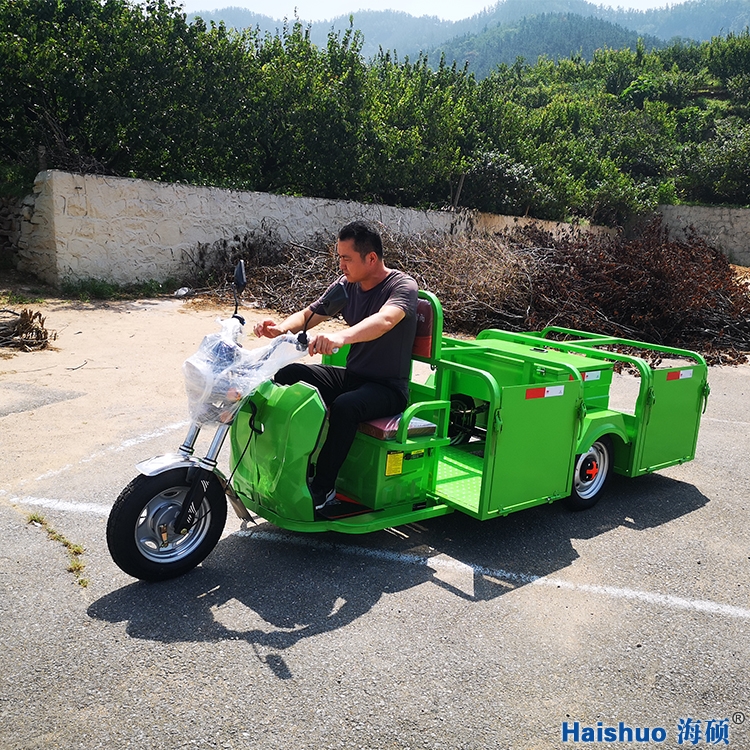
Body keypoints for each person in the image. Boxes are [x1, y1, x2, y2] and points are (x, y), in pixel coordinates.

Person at [254, 220, 418, 511]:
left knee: (345, 407)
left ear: (371, 258)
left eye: (346, 258)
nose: (341, 265)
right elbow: (310, 314)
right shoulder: (346, 286)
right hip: (354, 378)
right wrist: (280, 328)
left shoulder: (402, 286)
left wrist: (341, 336)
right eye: (339, 257)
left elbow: (385, 320)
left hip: (388, 389)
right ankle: (288, 465)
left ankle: (324, 488)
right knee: (290, 374)